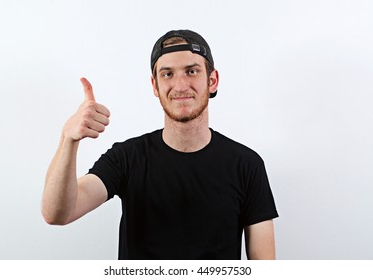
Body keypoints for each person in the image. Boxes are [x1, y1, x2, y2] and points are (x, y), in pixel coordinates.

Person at [42, 29, 279, 260]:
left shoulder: (247, 165)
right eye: (167, 74)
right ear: (155, 86)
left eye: (192, 71)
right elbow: (57, 213)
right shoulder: (126, 158)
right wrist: (68, 140)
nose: (180, 85)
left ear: (212, 80)